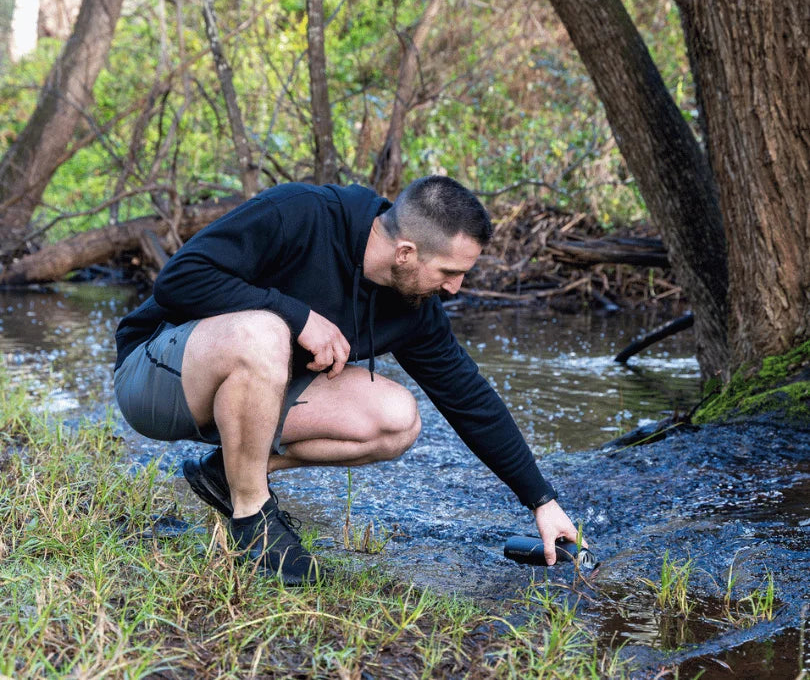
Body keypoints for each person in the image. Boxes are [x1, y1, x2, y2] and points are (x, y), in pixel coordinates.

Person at [114, 176, 586, 584]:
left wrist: (541, 500)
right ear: (405, 252)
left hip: (250, 394)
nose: (455, 288)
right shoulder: (300, 214)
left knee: (397, 418)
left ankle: (227, 474)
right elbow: (178, 279)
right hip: (157, 373)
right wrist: (299, 317)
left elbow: (468, 396)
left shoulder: (414, 307)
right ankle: (252, 516)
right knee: (264, 329)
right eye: (449, 272)